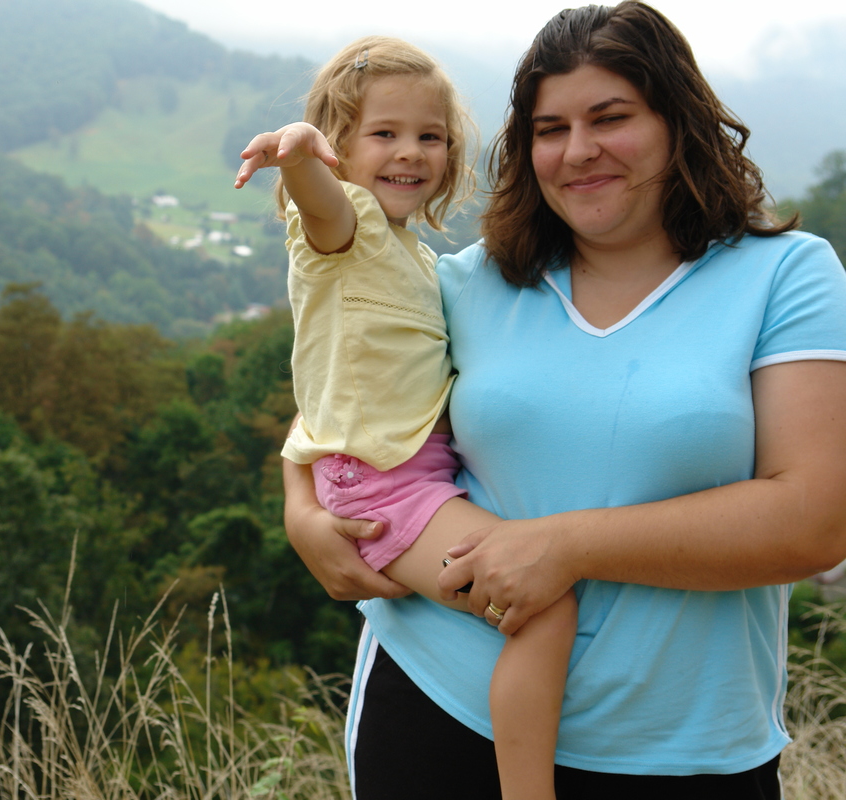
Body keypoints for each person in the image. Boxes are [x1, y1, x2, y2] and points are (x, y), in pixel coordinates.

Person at [282, 4, 846, 799]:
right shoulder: (468, 283)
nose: (579, 151)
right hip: (439, 711)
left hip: (683, 746)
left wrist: (568, 547)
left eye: (610, 118)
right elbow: (350, 394)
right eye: (550, 129)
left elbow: (815, 522)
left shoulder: (785, 275)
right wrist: (299, 509)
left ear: (678, 122)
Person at [235, 36, 576, 800]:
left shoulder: (417, 255)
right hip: (384, 491)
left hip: (412, 477)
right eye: (384, 134)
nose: (410, 153)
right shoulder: (345, 228)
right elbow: (322, 208)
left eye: (430, 137)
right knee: (543, 607)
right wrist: (299, 157)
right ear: (340, 146)